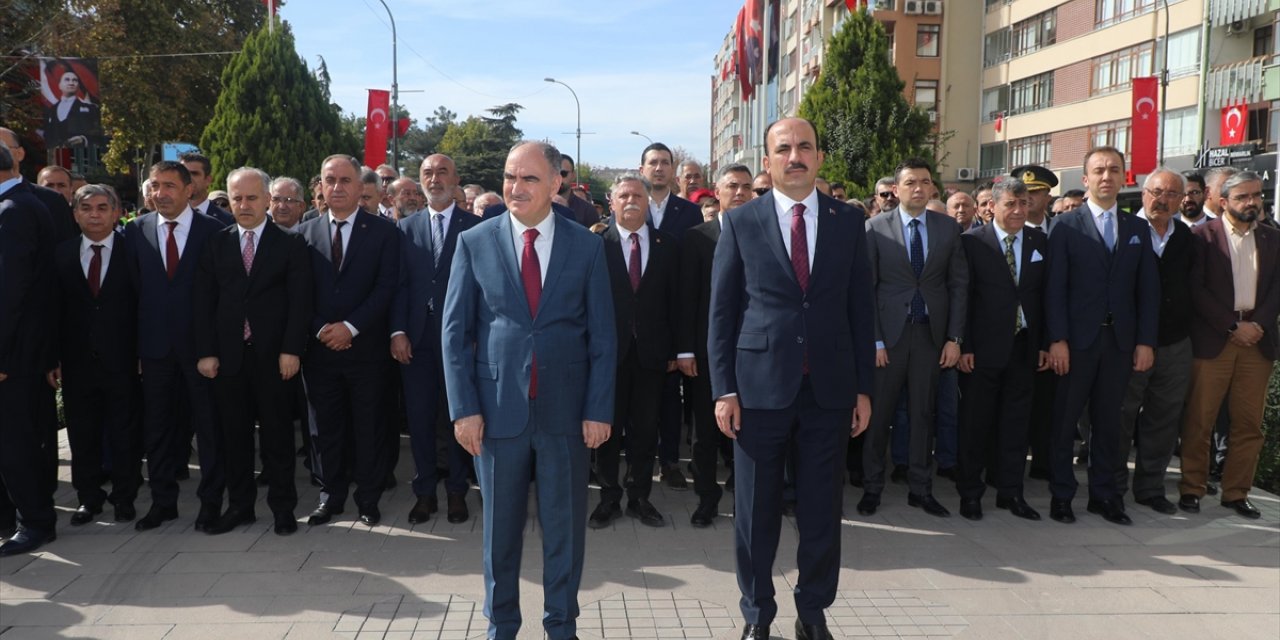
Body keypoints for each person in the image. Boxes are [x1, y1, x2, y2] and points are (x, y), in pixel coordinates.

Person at [709, 118, 874, 640]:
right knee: (755, 515)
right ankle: (758, 616)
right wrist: (724, 389)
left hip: (828, 392)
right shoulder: (741, 222)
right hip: (758, 392)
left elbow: (859, 310)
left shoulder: (849, 221)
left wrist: (863, 388)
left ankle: (812, 611)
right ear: (769, 160)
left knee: (823, 511)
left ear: (820, 157)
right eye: (785, 148)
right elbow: (722, 312)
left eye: (805, 147)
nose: (796, 156)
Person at [442, 141, 615, 640]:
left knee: (564, 531)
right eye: (509, 177)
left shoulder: (586, 245)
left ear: (557, 182)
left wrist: (598, 408)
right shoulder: (475, 241)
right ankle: (502, 625)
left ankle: (561, 625)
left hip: (567, 413)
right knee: (499, 533)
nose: (515, 188)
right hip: (496, 414)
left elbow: (603, 337)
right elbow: (453, 335)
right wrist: (464, 409)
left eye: (529, 179)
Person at [193, 167, 312, 536]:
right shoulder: (216, 242)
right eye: (236, 198)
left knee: (277, 437)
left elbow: (299, 304)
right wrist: (206, 352)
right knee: (234, 437)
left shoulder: (291, 243)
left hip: (274, 358)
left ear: (267, 200)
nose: (243, 205)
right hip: (229, 359)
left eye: (251, 198)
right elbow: (203, 303)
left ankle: (283, 508)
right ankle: (240, 506)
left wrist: (292, 350)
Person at [1044, 146, 1160, 526]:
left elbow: (1148, 292)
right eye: (1099, 170)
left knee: (1110, 424)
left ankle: (1104, 496)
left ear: (1125, 176)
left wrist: (1145, 341)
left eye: (1114, 169)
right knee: (1064, 424)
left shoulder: (1136, 228)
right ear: (1085, 179)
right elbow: (1054, 289)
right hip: (1076, 343)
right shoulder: (1065, 225)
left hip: (1120, 344)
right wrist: (1057, 339)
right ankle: (1062, 496)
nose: (1106, 176)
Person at [295, 155, 400, 527]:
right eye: (329, 180)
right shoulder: (303, 234)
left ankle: (367, 499)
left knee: (369, 427)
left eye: (344, 180)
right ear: (320, 187)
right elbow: (297, 294)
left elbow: (387, 287)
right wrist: (322, 328)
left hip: (366, 350)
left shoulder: (385, 233)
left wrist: (351, 327)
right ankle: (330, 496)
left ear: (360, 187)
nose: (336, 187)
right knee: (324, 429)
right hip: (319, 351)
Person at [859, 158, 968, 519]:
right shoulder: (875, 228)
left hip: (930, 337)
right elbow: (866, 290)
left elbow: (957, 285)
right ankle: (872, 486)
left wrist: (954, 338)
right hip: (887, 339)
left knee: (923, 413)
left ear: (933, 187)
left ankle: (921, 489)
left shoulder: (947, 228)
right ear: (896, 189)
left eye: (925, 182)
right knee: (879, 416)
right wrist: (873, 341)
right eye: (910, 182)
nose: (918, 188)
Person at [124, 161, 227, 532]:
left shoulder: (215, 231)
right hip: (154, 351)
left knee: (209, 429)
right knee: (158, 430)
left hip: (202, 352)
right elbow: (133, 293)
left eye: (169, 185)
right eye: (154, 186)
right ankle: (162, 503)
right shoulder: (136, 231)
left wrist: (213, 349)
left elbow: (222, 297)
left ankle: (211, 503)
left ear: (189, 190)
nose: (160, 193)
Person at [1179, 171, 1278, 520]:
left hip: (1257, 342)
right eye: (1243, 197)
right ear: (1223, 202)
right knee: (1200, 420)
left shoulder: (1272, 238)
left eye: (1256, 195)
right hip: (1214, 339)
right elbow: (1196, 290)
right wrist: (1231, 325)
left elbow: (1276, 290)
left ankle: (1237, 493)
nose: (1252, 202)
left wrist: (1257, 325)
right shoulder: (1200, 237)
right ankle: (1192, 488)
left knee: (1248, 425)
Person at [391, 154, 479, 526]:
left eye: (442, 172)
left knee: (457, 416)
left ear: (456, 179)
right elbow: (396, 285)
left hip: (461, 342)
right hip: (417, 340)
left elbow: (485, 289)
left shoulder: (476, 228)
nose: (435, 178)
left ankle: (457, 491)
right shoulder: (404, 227)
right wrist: (397, 331)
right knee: (422, 419)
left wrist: (478, 336)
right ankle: (425, 492)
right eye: (427, 172)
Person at [589, 172, 679, 530]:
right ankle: (609, 497)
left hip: (652, 355)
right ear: (611, 202)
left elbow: (678, 303)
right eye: (623, 196)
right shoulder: (596, 245)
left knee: (644, 430)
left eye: (637, 196)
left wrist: (677, 349)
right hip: (608, 355)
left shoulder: (668, 245)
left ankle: (639, 497)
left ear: (648, 202)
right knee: (607, 430)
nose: (630, 201)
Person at [955, 178, 1048, 521]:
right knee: (975, 424)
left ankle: (1011, 493)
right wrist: (964, 345)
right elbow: (963, 296)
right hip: (981, 351)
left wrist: (1043, 344)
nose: (1019, 211)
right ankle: (970, 493)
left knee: (1016, 425)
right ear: (992, 206)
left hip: (1024, 348)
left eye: (1024, 204)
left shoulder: (1039, 241)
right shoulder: (972, 242)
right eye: (1011, 204)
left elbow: (1043, 297)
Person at [49, 184, 141, 527]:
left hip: (124, 360)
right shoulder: (61, 254)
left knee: (125, 433)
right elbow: (51, 311)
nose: (95, 215)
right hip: (76, 362)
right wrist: (52, 358)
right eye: (86, 208)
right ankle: (88, 498)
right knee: (82, 434)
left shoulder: (134, 250)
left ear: (116, 213)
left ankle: (125, 497)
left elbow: (143, 305)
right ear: (75, 214)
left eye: (103, 208)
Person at [677, 162, 753, 528]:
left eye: (745, 187)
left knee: (750, 430)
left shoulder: (765, 233)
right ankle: (707, 498)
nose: (739, 193)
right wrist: (687, 350)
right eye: (732, 187)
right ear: (716, 193)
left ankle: (746, 499)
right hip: (709, 354)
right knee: (706, 431)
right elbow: (687, 298)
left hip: (756, 352)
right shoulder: (698, 237)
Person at [1120, 169, 1194, 515]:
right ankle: (1112, 484)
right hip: (1127, 341)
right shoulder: (1121, 230)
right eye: (1157, 191)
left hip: (1175, 342)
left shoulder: (1189, 238)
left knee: (1164, 419)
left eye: (1172, 195)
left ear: (1182, 201)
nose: (1162, 200)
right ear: (1143, 192)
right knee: (1120, 414)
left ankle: (1150, 488)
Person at [0, 144, 59, 556]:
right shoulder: (20, 204)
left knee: (14, 442)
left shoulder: (14, 211)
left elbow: (9, 292)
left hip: (12, 356)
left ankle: (34, 521)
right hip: (20, 353)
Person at [639, 142, 702, 489]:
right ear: (642, 168)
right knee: (640, 401)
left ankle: (670, 462)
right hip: (639, 320)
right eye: (653, 163)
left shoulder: (688, 213)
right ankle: (641, 461)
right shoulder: (630, 205)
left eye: (665, 163)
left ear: (673, 170)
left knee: (669, 399)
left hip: (673, 318)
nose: (659, 168)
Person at [40, 62, 103, 148]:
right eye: (67, 79)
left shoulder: (91, 109)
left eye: (75, 80)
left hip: (80, 152)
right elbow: (47, 135)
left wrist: (83, 139)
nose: (71, 83)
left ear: (78, 85)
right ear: (60, 85)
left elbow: (98, 133)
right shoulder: (50, 110)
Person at [180, 152, 234, 226]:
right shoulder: (167, 216)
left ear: (208, 180)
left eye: (194, 174)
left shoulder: (227, 220)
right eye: (184, 174)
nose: (188, 178)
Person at [1011, 164, 1058, 231]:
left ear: (1048, 198)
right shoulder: (1009, 230)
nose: (1027, 197)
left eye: (1033, 192)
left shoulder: (1059, 229)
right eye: (1022, 192)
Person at [559, 154, 600, 227]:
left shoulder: (587, 210)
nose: (558, 178)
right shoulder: (537, 206)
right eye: (553, 173)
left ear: (573, 175)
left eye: (563, 173)